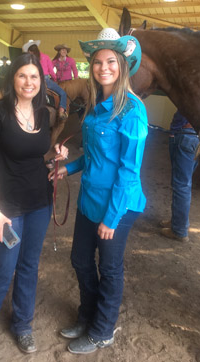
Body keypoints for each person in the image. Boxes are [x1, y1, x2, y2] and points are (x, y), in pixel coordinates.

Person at [50, 28, 148, 354]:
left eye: (110, 61)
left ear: (122, 64)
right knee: (80, 259)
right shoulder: (93, 105)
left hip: (118, 204)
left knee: (109, 268)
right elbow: (94, 157)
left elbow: (127, 170)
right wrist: (69, 168)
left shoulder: (133, 110)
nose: (102, 67)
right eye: (97, 62)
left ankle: (103, 330)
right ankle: (87, 315)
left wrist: (112, 218)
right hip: (89, 198)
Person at [0, 53, 68, 362]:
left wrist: (55, 155)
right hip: (6, 207)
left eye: (35, 77)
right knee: (1, 274)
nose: (29, 82)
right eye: (23, 75)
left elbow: (34, 153)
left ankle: (22, 324)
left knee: (29, 267)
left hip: (37, 201)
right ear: (13, 79)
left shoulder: (43, 113)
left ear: (42, 81)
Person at [160, 110, 199, 242]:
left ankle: (179, 230)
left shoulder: (192, 92)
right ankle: (178, 222)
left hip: (185, 135)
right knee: (184, 183)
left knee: (182, 185)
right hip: (193, 136)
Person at [22, 39, 68, 120]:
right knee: (63, 93)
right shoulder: (45, 57)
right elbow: (51, 71)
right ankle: (61, 111)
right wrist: (55, 78)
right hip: (45, 80)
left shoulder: (28, 59)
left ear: (29, 51)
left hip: (32, 81)